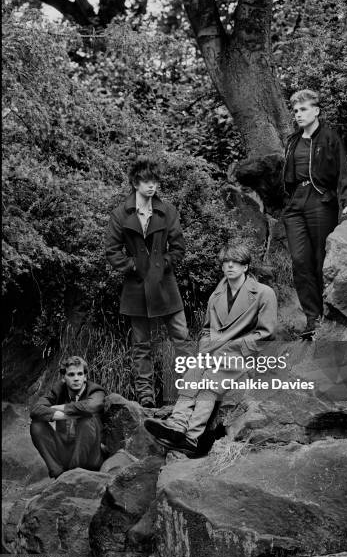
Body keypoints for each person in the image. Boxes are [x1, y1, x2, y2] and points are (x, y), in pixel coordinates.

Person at [144, 242, 278, 456]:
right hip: (215, 354)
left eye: (236, 262)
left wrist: (233, 347)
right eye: (226, 262)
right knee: (194, 370)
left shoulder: (264, 293)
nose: (230, 266)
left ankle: (191, 436)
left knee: (211, 375)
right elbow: (206, 330)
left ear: (246, 267)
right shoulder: (216, 296)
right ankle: (179, 426)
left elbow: (266, 334)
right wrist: (206, 348)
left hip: (245, 357)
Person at [106, 156, 191, 408]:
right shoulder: (121, 214)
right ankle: (146, 397)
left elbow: (178, 247)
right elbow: (112, 251)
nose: (152, 186)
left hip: (165, 283)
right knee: (141, 344)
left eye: (155, 181)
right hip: (136, 285)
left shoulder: (168, 211)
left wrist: (163, 264)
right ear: (135, 183)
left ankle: (189, 388)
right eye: (146, 181)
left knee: (181, 336)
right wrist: (134, 266)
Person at [282, 89, 347, 340]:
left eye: (303, 109)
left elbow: (343, 172)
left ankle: (328, 314)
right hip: (296, 204)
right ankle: (312, 319)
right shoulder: (293, 141)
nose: (298, 114)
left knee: (319, 260)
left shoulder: (329, 137)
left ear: (316, 111)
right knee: (299, 260)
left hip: (321, 201)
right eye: (295, 110)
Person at [30, 356, 105, 479]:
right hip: (66, 451)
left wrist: (61, 407)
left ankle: (74, 473)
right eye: (71, 374)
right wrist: (65, 416)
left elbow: (91, 406)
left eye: (80, 374)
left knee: (86, 420)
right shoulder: (58, 390)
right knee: (37, 425)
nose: (76, 378)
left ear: (85, 376)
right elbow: (35, 409)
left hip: (90, 456)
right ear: (64, 377)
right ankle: (58, 473)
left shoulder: (95, 390)